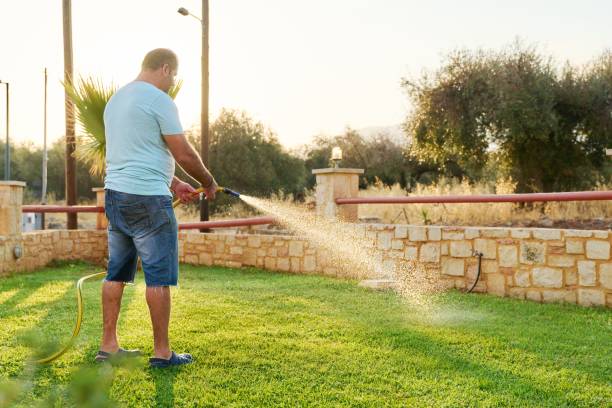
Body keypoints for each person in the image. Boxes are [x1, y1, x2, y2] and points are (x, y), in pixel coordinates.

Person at [96, 48, 217, 368]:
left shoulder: (116, 101)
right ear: (165, 68)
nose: (172, 82)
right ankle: (162, 352)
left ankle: (108, 346)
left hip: (117, 197)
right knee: (158, 278)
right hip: (148, 201)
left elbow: (139, 152)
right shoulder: (160, 100)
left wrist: (175, 183)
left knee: (116, 273)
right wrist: (208, 181)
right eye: (173, 75)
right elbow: (185, 152)